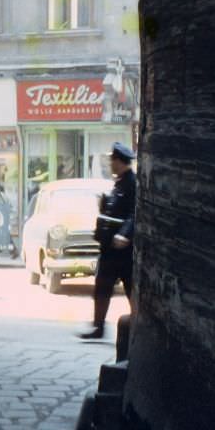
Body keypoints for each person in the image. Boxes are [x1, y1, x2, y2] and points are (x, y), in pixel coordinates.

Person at [79, 141, 136, 340]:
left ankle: (137, 327)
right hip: (110, 249)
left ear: (120, 161)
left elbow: (133, 213)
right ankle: (99, 326)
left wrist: (125, 235)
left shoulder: (132, 183)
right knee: (102, 286)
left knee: (131, 290)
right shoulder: (119, 183)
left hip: (124, 250)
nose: (110, 163)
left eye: (112, 160)